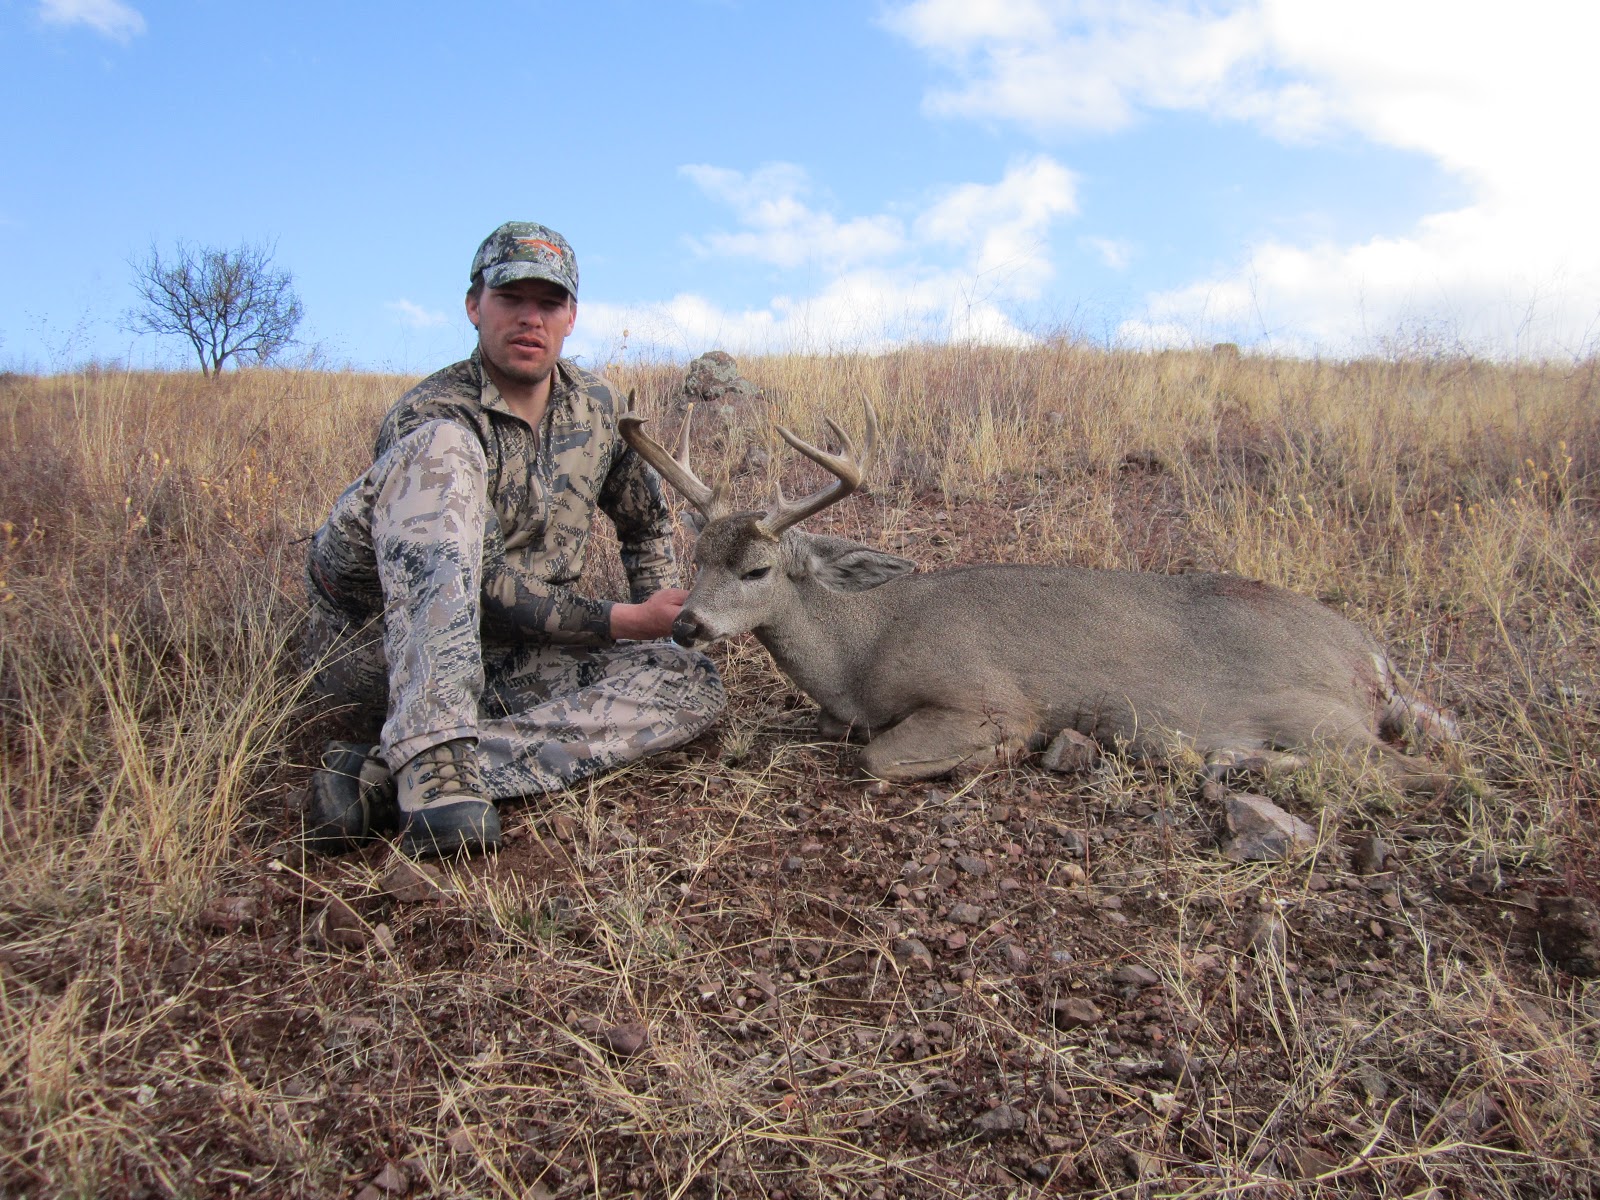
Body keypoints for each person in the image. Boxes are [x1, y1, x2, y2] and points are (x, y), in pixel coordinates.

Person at [301, 221, 725, 857]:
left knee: (690, 681)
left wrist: (663, 621)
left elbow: (645, 525)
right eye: (510, 298)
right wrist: (625, 620)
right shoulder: (433, 415)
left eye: (549, 303)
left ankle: (391, 775)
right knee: (441, 452)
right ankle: (432, 752)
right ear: (474, 306)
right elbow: (481, 588)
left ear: (571, 317)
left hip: (509, 654)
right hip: (388, 651)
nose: (531, 318)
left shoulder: (597, 407)